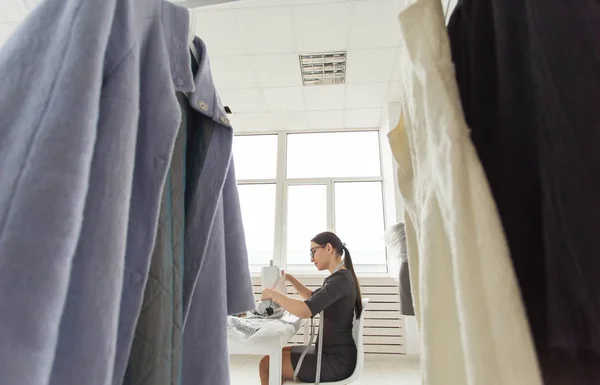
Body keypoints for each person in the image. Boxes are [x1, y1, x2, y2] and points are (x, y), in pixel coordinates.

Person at [258, 231, 363, 385]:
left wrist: (273, 294)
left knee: (266, 365)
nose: (312, 258)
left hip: (335, 362)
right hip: (334, 354)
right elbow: (311, 297)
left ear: (328, 248)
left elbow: (305, 311)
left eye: (313, 251)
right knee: (276, 354)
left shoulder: (339, 280)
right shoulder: (340, 278)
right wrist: (290, 278)